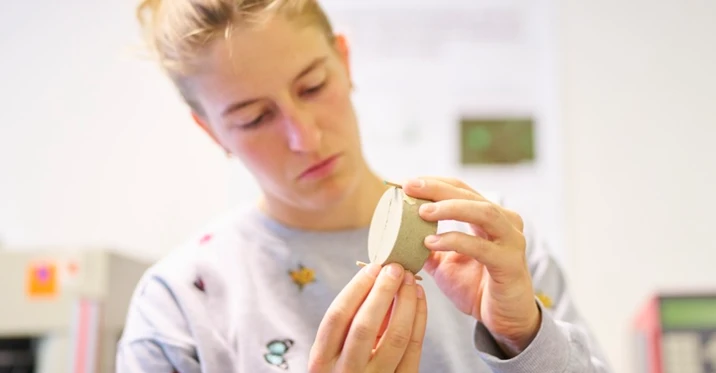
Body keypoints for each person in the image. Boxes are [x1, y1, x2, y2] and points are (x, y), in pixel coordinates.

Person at [117, 0, 611, 372]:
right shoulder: (182, 303)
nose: (304, 136)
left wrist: (526, 336)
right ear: (211, 132)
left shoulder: (488, 243)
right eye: (253, 118)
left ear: (345, 61)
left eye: (312, 86)